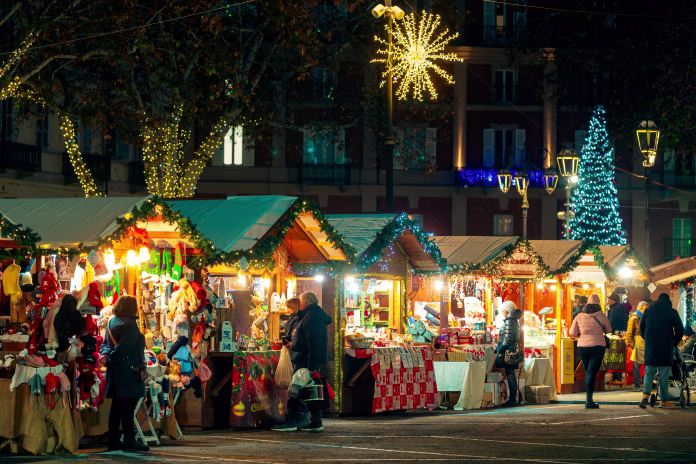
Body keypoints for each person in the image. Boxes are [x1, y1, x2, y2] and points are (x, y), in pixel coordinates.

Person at [273, 291, 332, 432]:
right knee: (310, 389)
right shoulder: (312, 315)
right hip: (307, 358)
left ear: (305, 303)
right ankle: (316, 422)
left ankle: (291, 421)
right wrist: (293, 345)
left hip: (306, 360)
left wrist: (312, 365)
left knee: (294, 389)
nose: (299, 305)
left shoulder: (311, 317)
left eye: (301, 302)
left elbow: (314, 343)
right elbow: (307, 340)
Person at [100, 295, 148, 451]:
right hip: (127, 371)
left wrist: (108, 358)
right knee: (127, 406)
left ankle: (113, 440)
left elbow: (105, 345)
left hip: (114, 370)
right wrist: (113, 357)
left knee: (116, 407)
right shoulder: (130, 326)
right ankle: (129, 440)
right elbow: (123, 349)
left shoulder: (112, 322)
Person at [639, 293, 684, 409]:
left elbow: (641, 328)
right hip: (666, 346)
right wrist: (674, 342)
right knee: (664, 374)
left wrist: (647, 339)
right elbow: (680, 328)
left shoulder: (648, 311)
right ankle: (663, 400)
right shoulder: (672, 312)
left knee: (649, 371)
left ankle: (645, 395)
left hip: (651, 346)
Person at [569, 294, 612, 409]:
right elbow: (609, 330)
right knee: (592, 373)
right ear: (598, 304)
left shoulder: (579, 316)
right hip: (598, 346)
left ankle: (588, 399)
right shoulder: (601, 316)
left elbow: (572, 333)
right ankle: (589, 400)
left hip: (582, 346)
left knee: (588, 371)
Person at [495, 301, 522, 407]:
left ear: (507, 310)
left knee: (510, 375)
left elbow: (507, 340)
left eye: (503, 310)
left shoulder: (509, 321)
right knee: (511, 375)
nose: (502, 312)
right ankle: (513, 398)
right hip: (510, 350)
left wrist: (499, 349)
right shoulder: (513, 320)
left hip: (508, 352)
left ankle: (512, 399)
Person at [626, 301, 647, 391]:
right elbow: (629, 333)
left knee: (647, 364)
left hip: (645, 342)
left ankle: (646, 384)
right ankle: (637, 384)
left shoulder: (645, 317)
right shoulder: (634, 318)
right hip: (637, 343)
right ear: (640, 308)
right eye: (645, 308)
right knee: (636, 365)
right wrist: (632, 345)